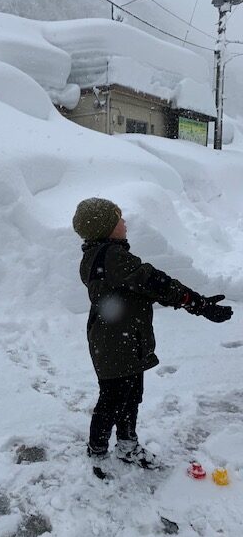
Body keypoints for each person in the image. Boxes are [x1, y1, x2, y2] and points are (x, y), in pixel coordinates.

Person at [72, 197, 233, 471]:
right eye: (118, 219)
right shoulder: (113, 257)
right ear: (106, 227)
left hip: (121, 340)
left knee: (129, 396)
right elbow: (155, 282)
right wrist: (199, 304)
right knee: (113, 399)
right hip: (116, 344)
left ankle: (126, 445)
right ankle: (98, 451)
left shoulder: (100, 255)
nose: (124, 222)